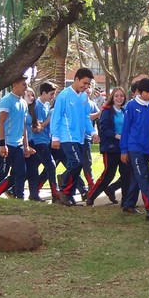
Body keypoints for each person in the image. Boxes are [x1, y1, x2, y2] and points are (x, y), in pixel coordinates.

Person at [0, 76, 33, 199]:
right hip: (5, 141)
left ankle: (20, 197)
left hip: (17, 144)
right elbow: (0, 123)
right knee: (2, 172)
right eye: (24, 84)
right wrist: (2, 144)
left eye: (26, 84)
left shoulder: (23, 103)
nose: (26, 87)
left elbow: (23, 125)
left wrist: (26, 146)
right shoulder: (7, 100)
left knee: (21, 172)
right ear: (15, 84)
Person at [50, 68, 94, 205]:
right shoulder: (64, 95)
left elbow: (86, 117)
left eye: (88, 84)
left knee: (76, 165)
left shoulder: (84, 97)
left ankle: (68, 194)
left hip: (79, 137)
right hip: (66, 136)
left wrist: (92, 132)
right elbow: (56, 116)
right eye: (84, 83)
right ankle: (63, 191)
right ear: (76, 79)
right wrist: (55, 137)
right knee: (77, 162)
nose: (86, 86)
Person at [119, 78, 149, 220]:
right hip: (136, 148)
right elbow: (125, 129)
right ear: (140, 92)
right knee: (142, 177)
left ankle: (129, 204)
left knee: (138, 177)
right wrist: (124, 150)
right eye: (147, 92)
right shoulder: (131, 106)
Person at [87, 87, 127, 206]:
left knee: (127, 174)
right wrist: (116, 136)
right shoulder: (107, 111)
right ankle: (91, 197)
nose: (119, 98)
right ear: (112, 98)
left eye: (121, 96)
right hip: (110, 147)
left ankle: (126, 201)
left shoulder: (125, 111)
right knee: (108, 175)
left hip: (123, 147)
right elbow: (104, 128)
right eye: (116, 96)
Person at [26, 82, 57, 202]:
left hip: (45, 140)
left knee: (34, 169)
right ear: (43, 93)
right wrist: (49, 120)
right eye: (51, 94)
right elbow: (37, 127)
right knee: (51, 165)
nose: (53, 97)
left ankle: (33, 193)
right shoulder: (37, 106)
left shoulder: (46, 105)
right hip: (38, 141)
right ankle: (55, 194)